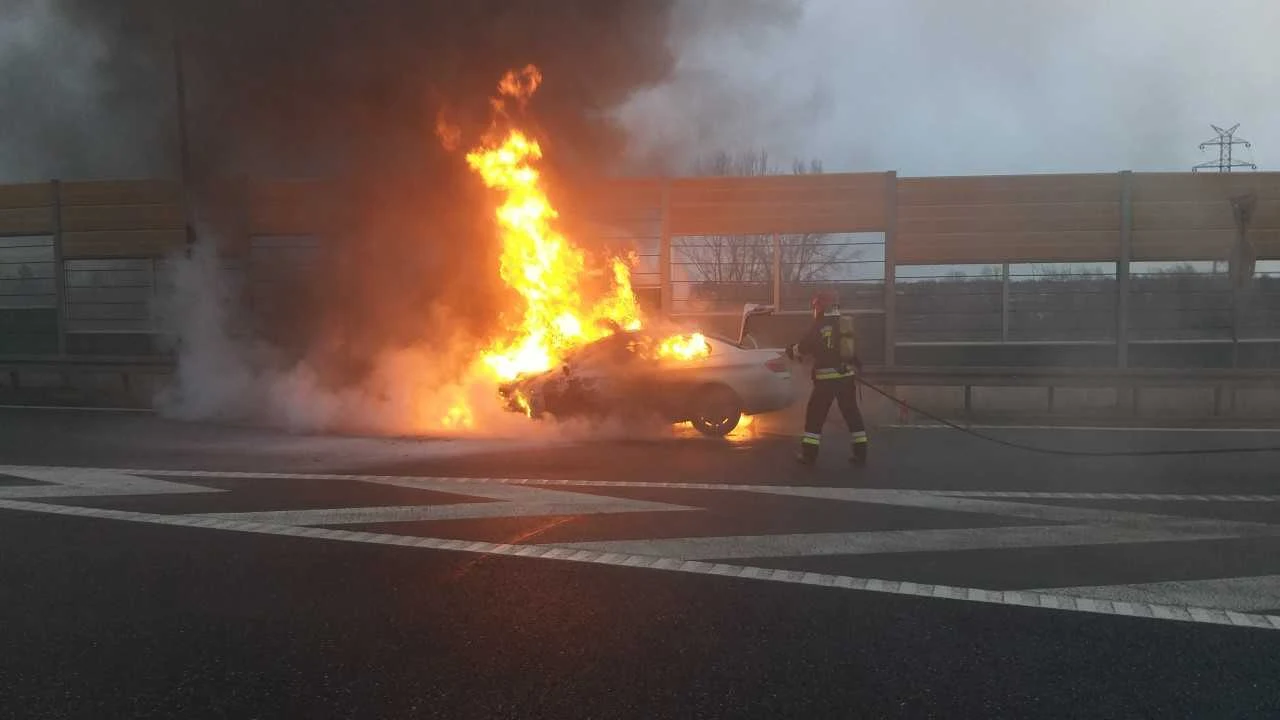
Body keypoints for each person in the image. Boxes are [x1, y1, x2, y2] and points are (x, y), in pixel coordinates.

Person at [786, 290, 868, 466]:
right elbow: (851, 351)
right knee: (852, 414)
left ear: (819, 307)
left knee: (815, 417)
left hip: (825, 381)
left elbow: (804, 347)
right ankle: (861, 453)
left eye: (815, 307)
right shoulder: (844, 325)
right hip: (846, 377)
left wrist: (791, 350)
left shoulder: (819, 325)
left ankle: (809, 456)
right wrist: (856, 365)